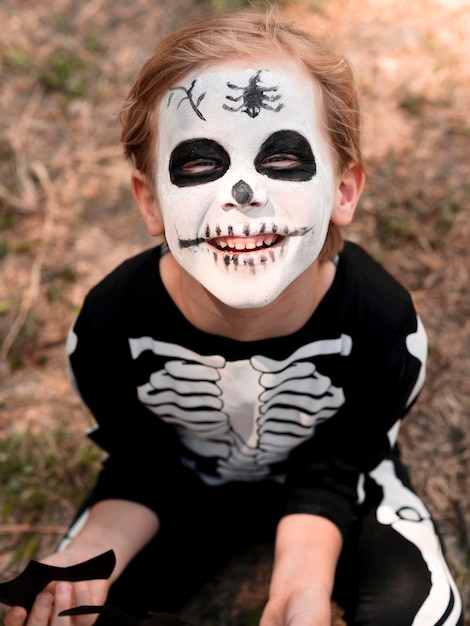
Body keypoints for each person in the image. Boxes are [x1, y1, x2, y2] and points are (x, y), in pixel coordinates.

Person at [5, 9, 464, 626]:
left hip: (343, 486)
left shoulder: (384, 324)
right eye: (199, 164)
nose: (243, 194)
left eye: (281, 160)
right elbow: (144, 467)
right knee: (53, 613)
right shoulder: (109, 324)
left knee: (423, 617)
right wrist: (84, 561)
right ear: (151, 202)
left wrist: (298, 588)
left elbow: (335, 469)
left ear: (344, 193)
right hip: (177, 486)